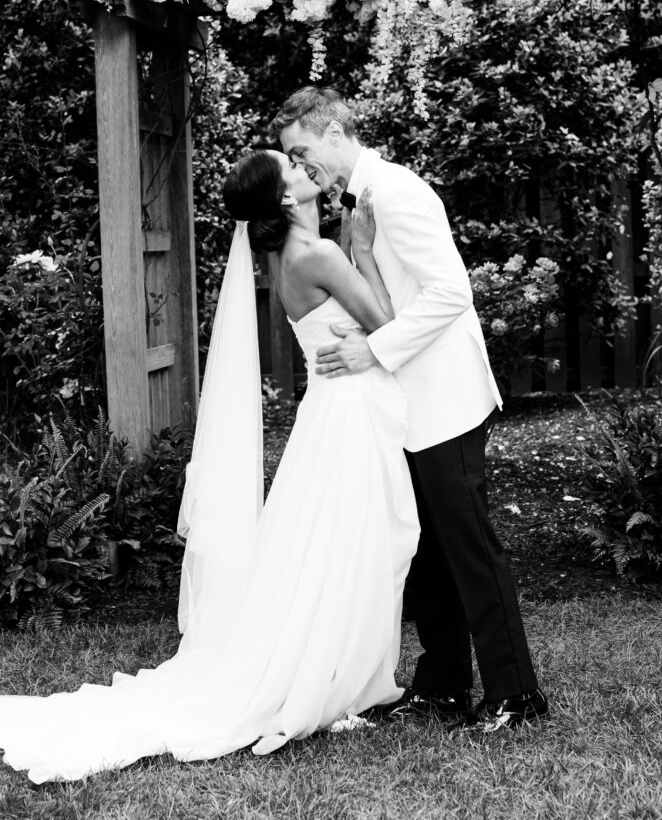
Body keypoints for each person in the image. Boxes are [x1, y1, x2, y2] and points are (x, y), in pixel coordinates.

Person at [0, 150, 419, 783]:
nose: (306, 169)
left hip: (331, 412)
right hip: (353, 410)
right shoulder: (324, 255)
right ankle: (344, 678)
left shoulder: (286, 258)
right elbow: (391, 326)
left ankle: (343, 669)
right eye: (292, 168)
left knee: (339, 542)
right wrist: (362, 252)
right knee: (362, 540)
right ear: (284, 198)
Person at [274, 85, 548, 732]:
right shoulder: (356, 204)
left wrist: (376, 350)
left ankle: (516, 693)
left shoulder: (396, 191)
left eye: (303, 151)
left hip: (443, 399)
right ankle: (443, 684)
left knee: (470, 549)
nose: (301, 166)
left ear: (336, 133)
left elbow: (451, 292)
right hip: (403, 405)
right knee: (428, 556)